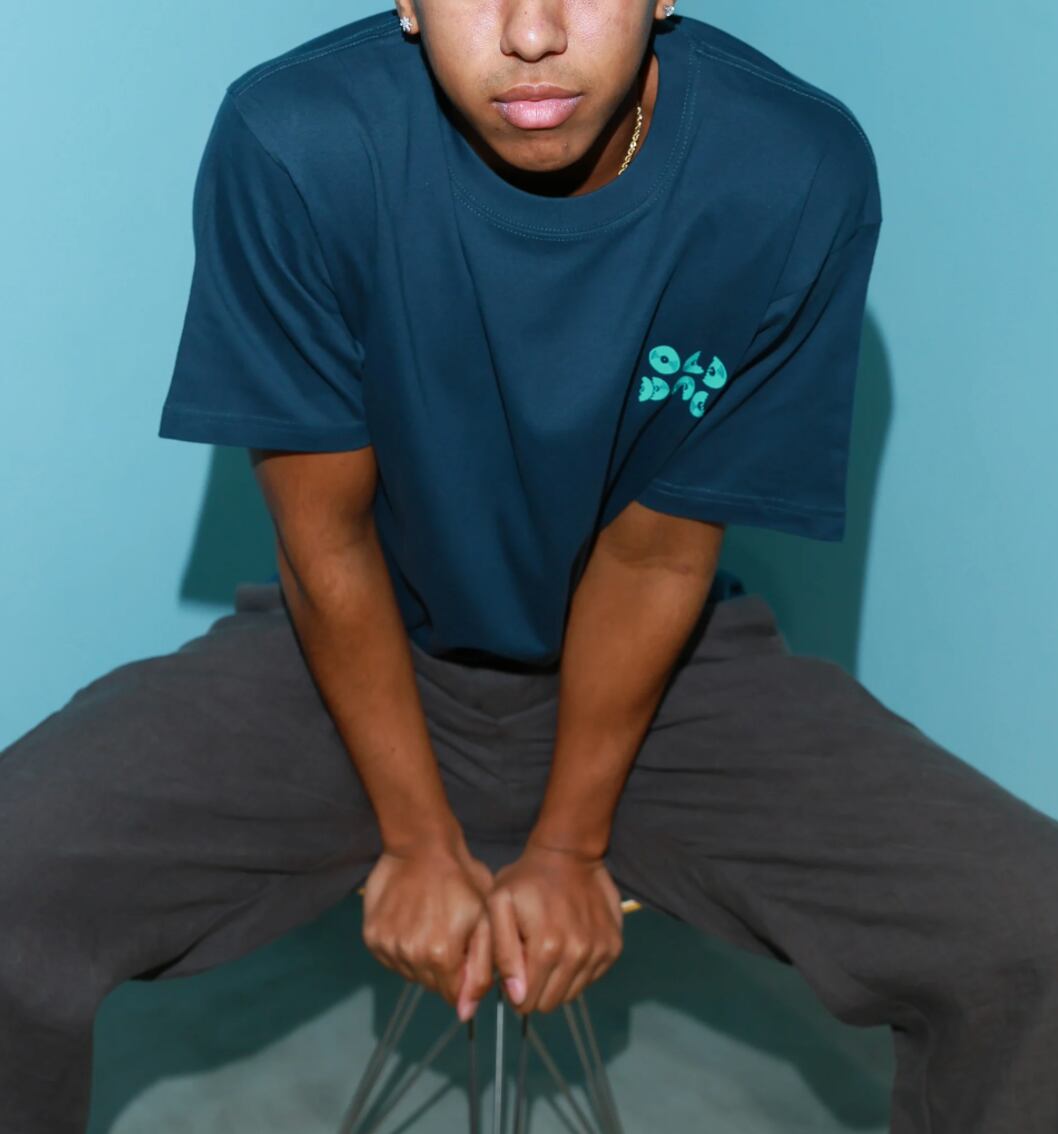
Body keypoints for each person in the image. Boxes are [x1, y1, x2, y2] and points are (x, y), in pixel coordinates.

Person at [2, 3, 1057, 1131]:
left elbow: (654, 555)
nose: (533, 33)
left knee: (1027, 929)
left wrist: (567, 844)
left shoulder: (787, 168)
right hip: (356, 647)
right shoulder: (299, 139)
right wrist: (417, 838)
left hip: (660, 673)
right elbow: (326, 543)